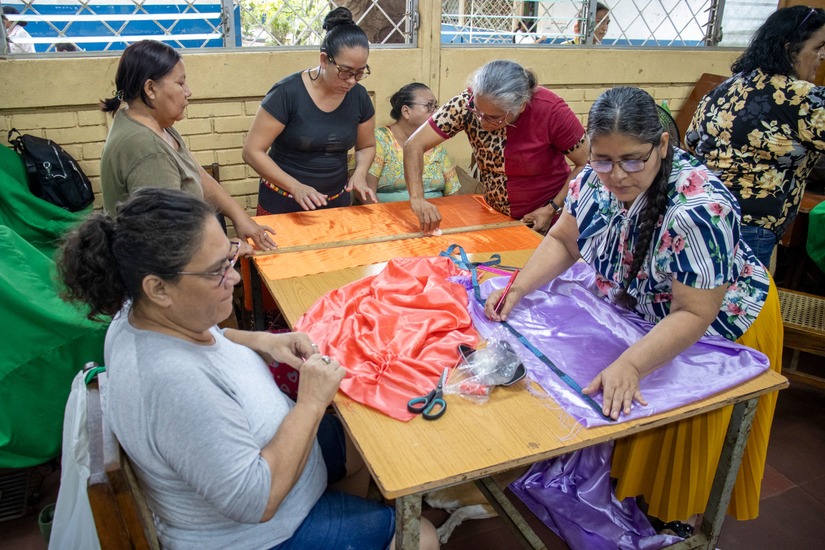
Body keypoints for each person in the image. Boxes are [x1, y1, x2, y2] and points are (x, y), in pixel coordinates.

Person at [57, 188, 439, 550]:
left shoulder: (142, 313)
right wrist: (310, 403)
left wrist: (264, 342)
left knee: (365, 442)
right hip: (259, 535)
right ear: (158, 288)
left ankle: (346, 515)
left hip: (280, 473)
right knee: (420, 536)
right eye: (217, 271)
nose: (235, 277)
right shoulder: (173, 383)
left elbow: (212, 340)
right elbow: (257, 501)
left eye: (229, 258)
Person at [486, 87, 782, 523]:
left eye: (632, 160)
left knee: (682, 453)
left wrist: (630, 365)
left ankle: (676, 520)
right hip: (651, 316)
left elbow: (694, 312)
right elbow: (564, 240)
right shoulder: (593, 179)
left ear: (661, 144)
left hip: (718, 327)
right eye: (603, 159)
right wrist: (519, 288)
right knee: (638, 428)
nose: (617, 176)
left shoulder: (700, 209)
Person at [98, 40, 276, 251]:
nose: (188, 91)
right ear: (150, 88)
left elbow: (198, 175)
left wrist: (240, 217)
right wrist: (226, 249)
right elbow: (164, 239)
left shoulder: (156, 125)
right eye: (180, 83)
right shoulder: (146, 148)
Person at [685, 6, 825, 268]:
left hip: (702, 216)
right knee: (746, 293)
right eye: (818, 47)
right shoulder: (802, 97)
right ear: (790, 49)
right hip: (752, 226)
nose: (822, 55)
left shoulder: (726, 88)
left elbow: (691, 141)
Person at [404, 59, 588, 235]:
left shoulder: (551, 110)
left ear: (521, 106)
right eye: (477, 111)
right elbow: (414, 144)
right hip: (497, 216)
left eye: (494, 117)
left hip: (548, 217)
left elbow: (586, 163)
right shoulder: (467, 102)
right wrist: (417, 198)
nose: (481, 121)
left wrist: (552, 208)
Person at [243, 7, 376, 215]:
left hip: (335, 201)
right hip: (284, 202)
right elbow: (252, 152)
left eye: (360, 73)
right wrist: (296, 187)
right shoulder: (287, 93)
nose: (352, 81)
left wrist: (359, 173)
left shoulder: (359, 96)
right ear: (324, 60)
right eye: (345, 72)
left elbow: (366, 146)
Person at [365, 83, 459, 203]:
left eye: (436, 106)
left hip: (436, 213)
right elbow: (366, 194)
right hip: (389, 214)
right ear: (406, 111)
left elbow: (454, 195)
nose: (436, 112)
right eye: (429, 106)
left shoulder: (435, 145)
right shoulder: (380, 140)